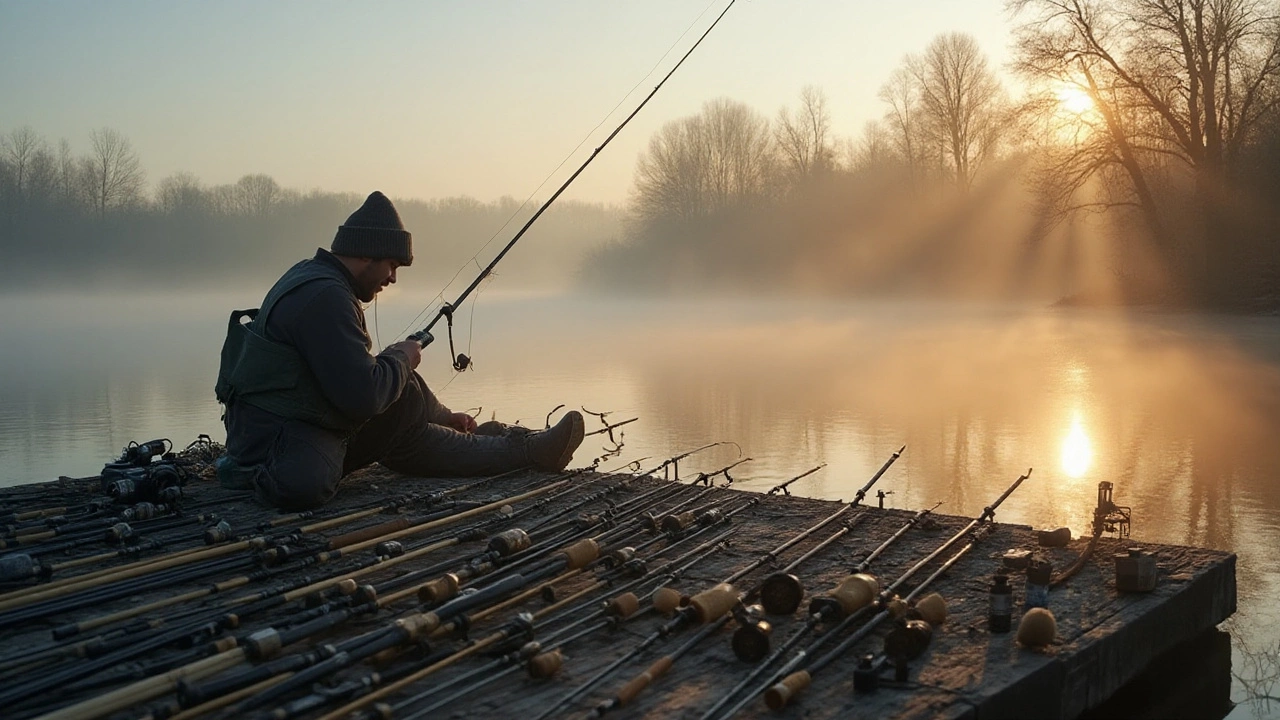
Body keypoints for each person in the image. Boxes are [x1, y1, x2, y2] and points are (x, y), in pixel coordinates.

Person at [214, 191, 584, 510]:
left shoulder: (314, 278)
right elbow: (364, 397)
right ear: (367, 254)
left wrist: (442, 413)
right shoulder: (326, 297)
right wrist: (400, 356)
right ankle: (523, 450)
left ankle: (514, 446)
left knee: (403, 400)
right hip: (273, 446)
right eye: (391, 265)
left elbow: (359, 380)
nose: (392, 278)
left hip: (286, 422)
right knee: (320, 473)